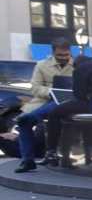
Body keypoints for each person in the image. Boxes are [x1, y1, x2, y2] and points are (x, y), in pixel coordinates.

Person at [13, 37, 73, 172]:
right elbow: (34, 87)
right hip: (44, 100)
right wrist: (51, 92)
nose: (63, 58)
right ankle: (27, 160)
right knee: (24, 123)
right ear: (53, 53)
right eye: (59, 55)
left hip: (67, 102)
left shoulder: (78, 65)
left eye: (66, 55)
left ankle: (30, 118)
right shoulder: (41, 65)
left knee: (26, 118)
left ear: (70, 52)